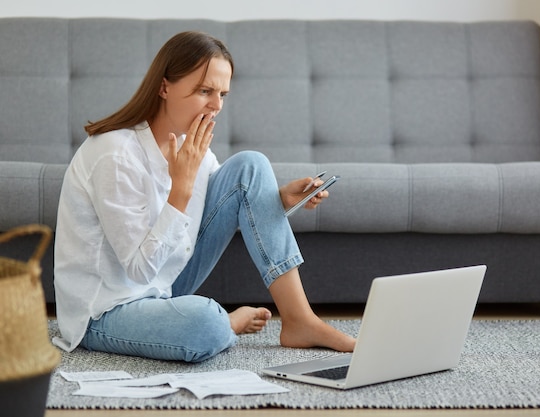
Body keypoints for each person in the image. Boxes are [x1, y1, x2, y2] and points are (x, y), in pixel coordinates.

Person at [52, 31, 356, 362]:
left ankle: (300, 320)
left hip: (164, 285)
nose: (216, 106)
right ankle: (225, 322)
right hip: (106, 311)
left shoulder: (189, 143)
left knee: (251, 166)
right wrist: (179, 189)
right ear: (165, 87)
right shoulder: (113, 154)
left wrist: (279, 198)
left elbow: (231, 198)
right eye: (204, 91)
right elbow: (139, 271)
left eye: (223, 94)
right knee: (207, 325)